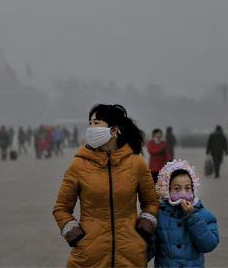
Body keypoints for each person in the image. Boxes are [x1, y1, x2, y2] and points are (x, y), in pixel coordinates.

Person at [53, 104, 159, 268]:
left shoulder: (136, 163)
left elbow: (151, 202)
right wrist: (77, 237)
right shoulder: (78, 164)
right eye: (90, 123)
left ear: (113, 130)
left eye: (97, 123)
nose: (91, 128)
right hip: (88, 255)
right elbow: (61, 207)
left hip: (130, 255)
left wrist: (142, 233)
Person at [147, 159, 219, 267]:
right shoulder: (160, 214)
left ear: (193, 188)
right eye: (177, 189)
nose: (183, 193)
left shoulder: (203, 215)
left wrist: (193, 217)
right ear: (167, 189)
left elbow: (209, 245)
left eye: (187, 188)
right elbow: (149, 249)